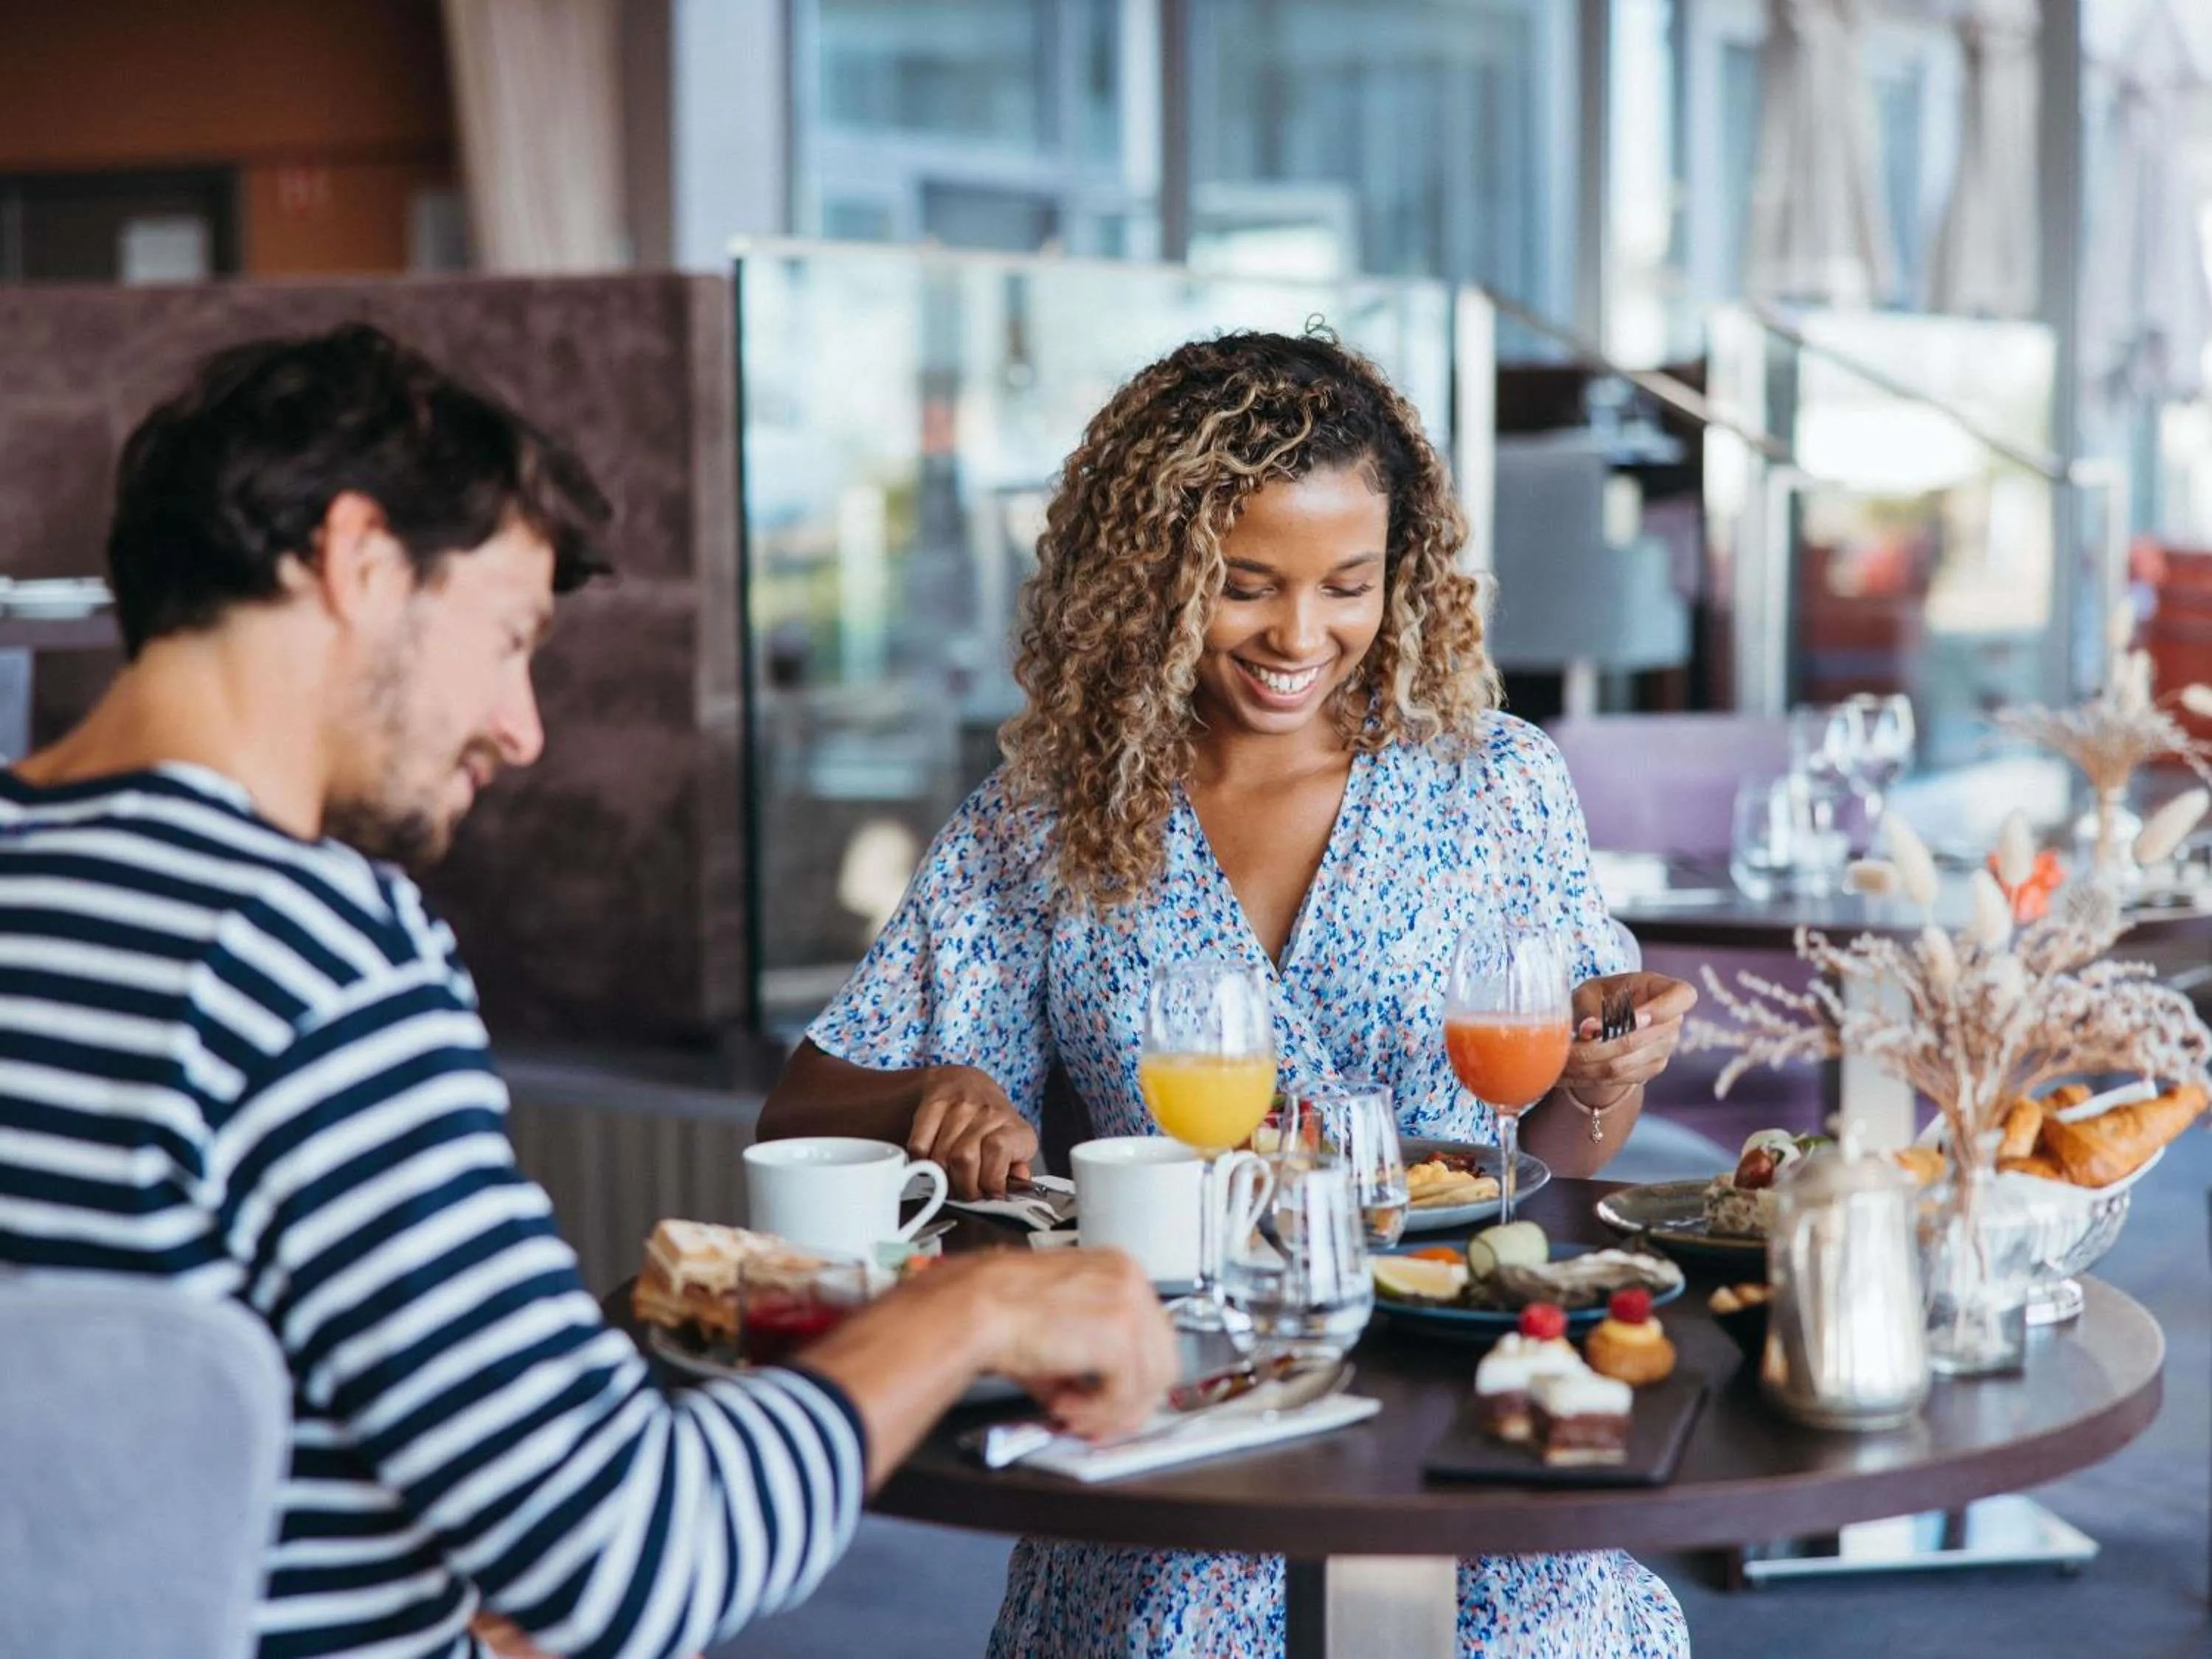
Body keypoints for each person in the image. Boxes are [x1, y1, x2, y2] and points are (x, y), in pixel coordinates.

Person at [0, 323, 1176, 1659]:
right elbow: (629, 1554)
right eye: (510, 638)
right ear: (360, 561)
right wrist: (969, 1309)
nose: (524, 725)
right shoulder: (300, 951)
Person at [762, 330, 1698, 1657]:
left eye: (1348, 585)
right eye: (1245, 585)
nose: (1299, 636)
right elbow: (793, 1106)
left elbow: (1545, 1150)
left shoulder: (1496, 783)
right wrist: (932, 1090)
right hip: (1174, 1427)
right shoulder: (1051, 821)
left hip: (1456, 1404)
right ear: (1154, 577)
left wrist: (1602, 1079)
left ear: (1404, 577)